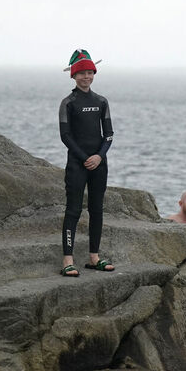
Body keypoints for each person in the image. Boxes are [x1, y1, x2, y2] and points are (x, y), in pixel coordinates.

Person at [58, 49, 115, 276]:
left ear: (94, 73)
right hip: (77, 164)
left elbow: (109, 134)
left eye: (90, 72)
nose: (86, 77)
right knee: (73, 210)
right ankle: (67, 260)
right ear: (73, 75)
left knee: (96, 210)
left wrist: (99, 156)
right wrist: (84, 158)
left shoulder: (101, 101)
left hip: (99, 163)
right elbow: (66, 136)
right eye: (81, 73)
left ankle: (94, 257)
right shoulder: (68, 103)